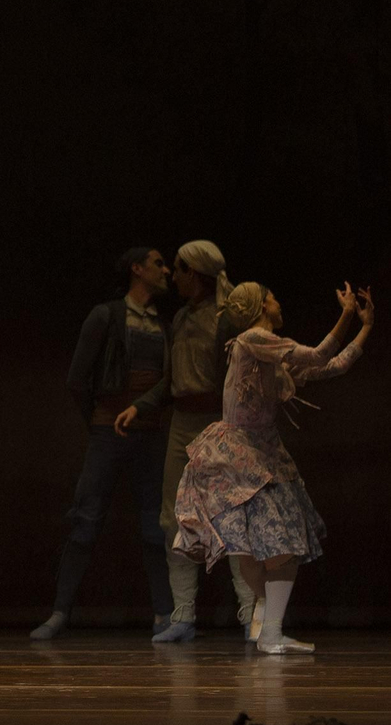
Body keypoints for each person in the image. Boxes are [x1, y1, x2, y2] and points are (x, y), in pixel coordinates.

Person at [174, 281, 372, 654]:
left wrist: (365, 327)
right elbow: (318, 352)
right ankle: (270, 629)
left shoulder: (272, 356)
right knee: (268, 549)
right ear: (263, 305)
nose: (280, 304)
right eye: (274, 298)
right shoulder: (253, 338)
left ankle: (268, 626)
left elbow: (330, 365)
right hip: (241, 456)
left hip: (263, 454)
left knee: (262, 550)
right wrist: (347, 314)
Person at [113, 242, 257, 642]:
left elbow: (245, 374)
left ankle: (252, 616)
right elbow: (171, 378)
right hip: (182, 424)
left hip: (220, 423)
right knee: (174, 518)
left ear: (195, 272)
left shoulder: (227, 318)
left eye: (178, 268)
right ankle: (183, 616)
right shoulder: (179, 317)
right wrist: (140, 406)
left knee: (234, 518)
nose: (172, 275)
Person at [31, 248, 174, 640]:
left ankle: (165, 614)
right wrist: (100, 421)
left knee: (156, 526)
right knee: (85, 520)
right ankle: (60, 612)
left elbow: (170, 380)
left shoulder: (164, 325)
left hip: (150, 434)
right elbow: (77, 379)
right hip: (108, 432)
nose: (165, 270)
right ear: (136, 269)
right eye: (158, 263)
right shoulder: (107, 315)